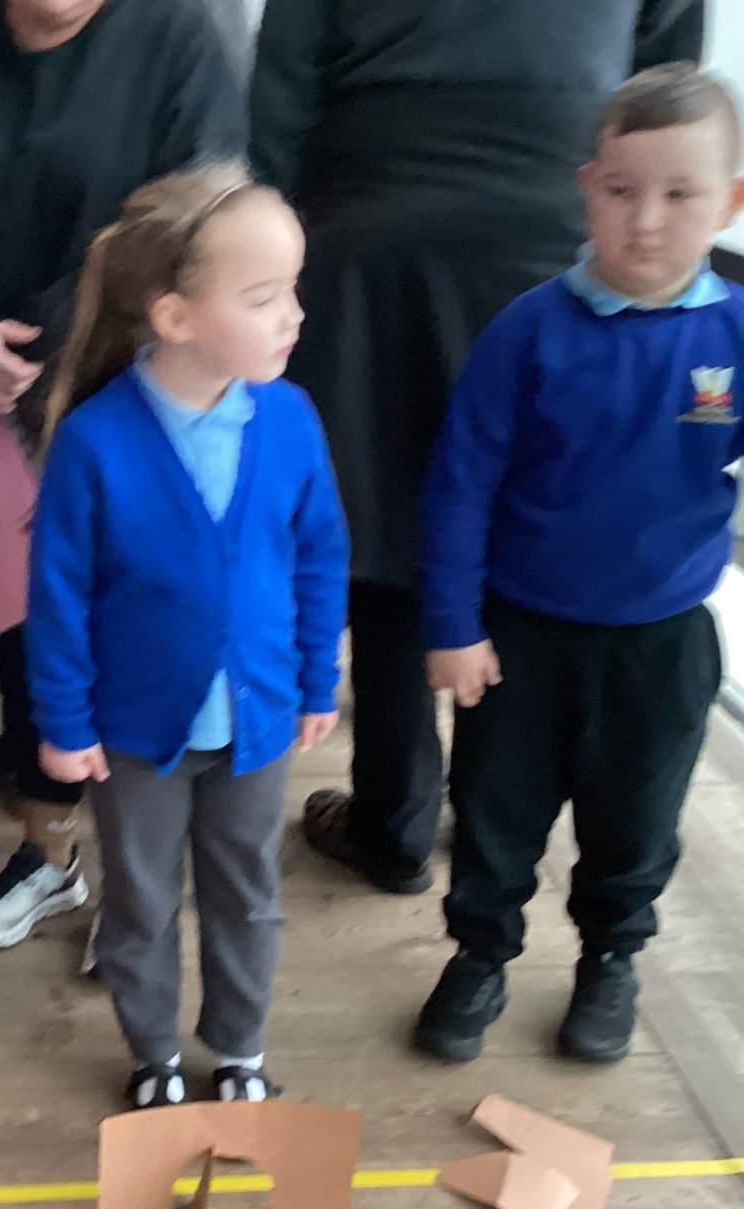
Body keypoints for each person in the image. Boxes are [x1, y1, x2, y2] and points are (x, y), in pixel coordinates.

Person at [411, 66, 744, 1065]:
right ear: (587, 189)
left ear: (730, 202)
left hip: (663, 641)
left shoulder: (742, 332)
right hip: (520, 635)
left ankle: (611, 958)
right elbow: (458, 485)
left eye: (679, 194)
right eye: (621, 191)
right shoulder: (528, 332)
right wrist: (452, 624)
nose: (645, 220)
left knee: (637, 817)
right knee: (494, 810)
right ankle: (480, 954)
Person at [250, 0, 705, 896]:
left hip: (369, 223)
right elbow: (667, 88)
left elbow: (280, 94)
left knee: (384, 525)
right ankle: (503, 805)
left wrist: (276, 257)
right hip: (555, 224)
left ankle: (395, 821)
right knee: (524, 511)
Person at [0, 0, 246, 951]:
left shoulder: (179, 40)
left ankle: (144, 889)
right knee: (24, 618)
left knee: (135, 624)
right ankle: (50, 849)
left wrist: (40, 341)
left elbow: (190, 222)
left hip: (129, 380)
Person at [27, 163, 349, 1108]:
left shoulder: (290, 418)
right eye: (264, 297)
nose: (294, 316)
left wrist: (316, 679)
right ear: (173, 316)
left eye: (293, 289)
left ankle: (239, 1048)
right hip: (134, 734)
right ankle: (154, 1056)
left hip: (259, 722)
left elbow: (320, 554)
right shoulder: (94, 441)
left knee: (248, 892)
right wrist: (63, 721)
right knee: (141, 899)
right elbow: (58, 596)